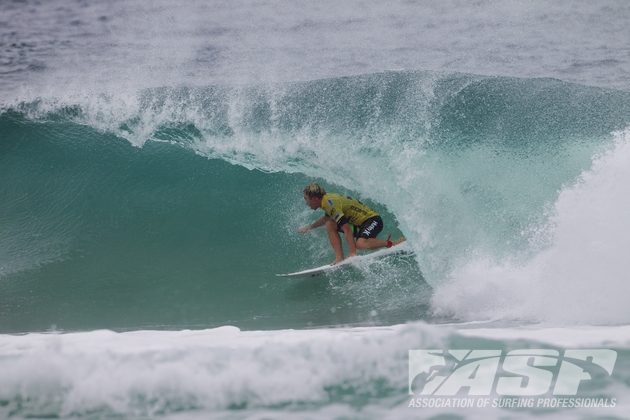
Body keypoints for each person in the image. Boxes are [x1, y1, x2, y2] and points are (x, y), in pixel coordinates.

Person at [298, 182, 405, 264]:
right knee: (330, 223)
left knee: (360, 244)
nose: (306, 202)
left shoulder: (329, 203)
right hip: (360, 225)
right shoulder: (327, 201)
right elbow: (326, 219)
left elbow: (347, 229)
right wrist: (310, 227)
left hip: (373, 220)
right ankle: (339, 258)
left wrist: (352, 254)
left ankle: (391, 243)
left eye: (306, 199)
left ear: (315, 198)